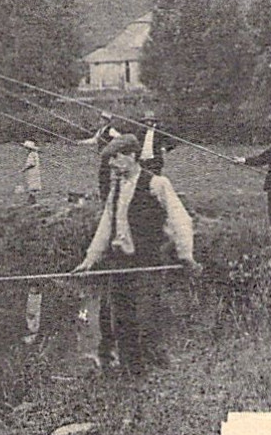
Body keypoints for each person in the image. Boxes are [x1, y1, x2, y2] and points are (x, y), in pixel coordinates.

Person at [72, 134, 201, 374]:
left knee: (146, 315)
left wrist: (186, 255)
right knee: (119, 316)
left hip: (147, 260)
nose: (111, 164)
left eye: (116, 157)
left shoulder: (157, 184)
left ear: (132, 156)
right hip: (120, 261)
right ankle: (129, 369)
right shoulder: (118, 186)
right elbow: (106, 224)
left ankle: (153, 368)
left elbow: (180, 220)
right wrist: (90, 259)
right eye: (110, 158)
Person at [76, 111, 124, 204]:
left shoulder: (111, 130)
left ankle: (107, 197)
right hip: (103, 156)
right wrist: (81, 142)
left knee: (106, 175)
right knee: (103, 175)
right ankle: (104, 196)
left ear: (106, 121)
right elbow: (94, 140)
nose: (100, 121)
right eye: (100, 119)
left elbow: (120, 138)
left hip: (110, 156)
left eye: (102, 119)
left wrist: (112, 146)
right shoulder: (100, 131)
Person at [134, 109, 178, 174]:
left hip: (155, 160)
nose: (148, 122)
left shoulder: (160, 130)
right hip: (142, 159)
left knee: (155, 178)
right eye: (146, 121)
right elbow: (135, 142)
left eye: (150, 120)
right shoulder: (140, 132)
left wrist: (164, 147)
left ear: (154, 121)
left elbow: (171, 141)